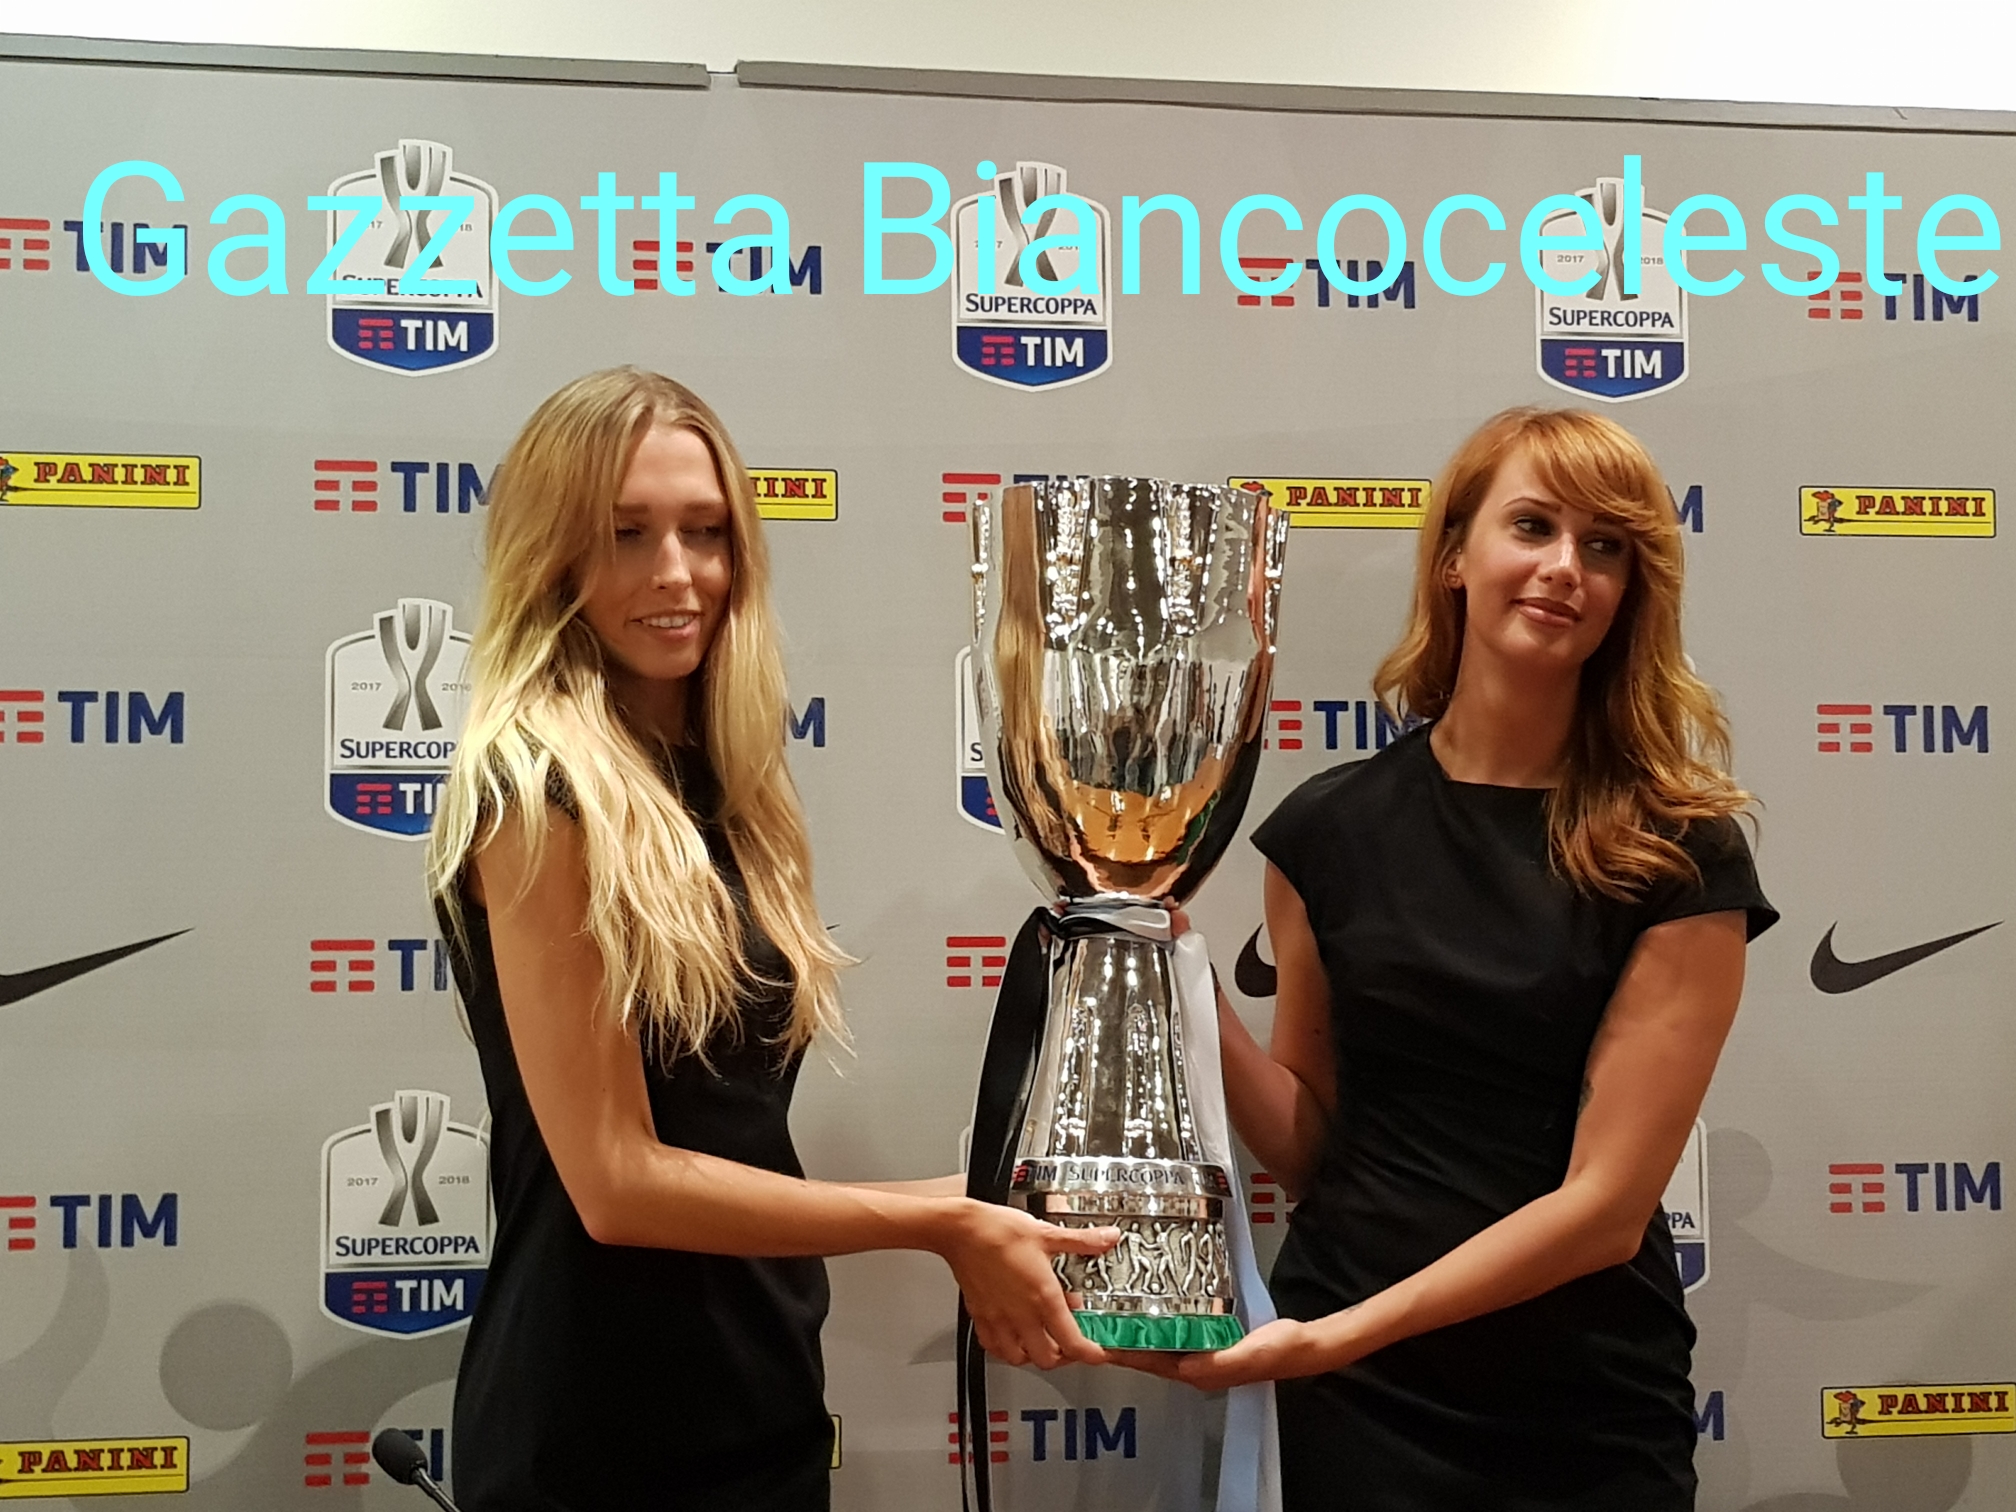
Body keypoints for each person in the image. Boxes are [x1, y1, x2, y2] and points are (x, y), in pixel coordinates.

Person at [426, 368, 1117, 1512]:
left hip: (760, 1391)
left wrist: (977, 1197)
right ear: (551, 555)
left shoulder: (729, 788)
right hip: (596, 1425)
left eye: (705, 531)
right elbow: (616, 1184)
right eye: (627, 534)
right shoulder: (534, 793)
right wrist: (937, 1220)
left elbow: (728, 1136)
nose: (677, 572)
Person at [1130, 407, 1775, 1510]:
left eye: (1605, 546)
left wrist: (1341, 1334)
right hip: (1357, 1401)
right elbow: (1316, 1144)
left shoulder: (1676, 850)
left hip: (1577, 1402)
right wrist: (1174, 972)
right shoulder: (1326, 830)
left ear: (1631, 592)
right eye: (1533, 526)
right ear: (1454, 558)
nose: (1565, 567)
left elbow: (1605, 1209)